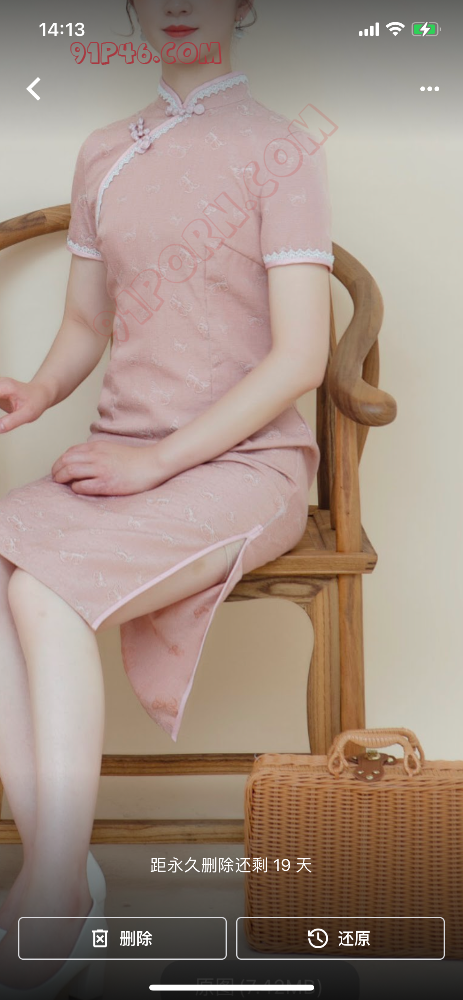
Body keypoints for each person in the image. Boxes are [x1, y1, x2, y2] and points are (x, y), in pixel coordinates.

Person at [0, 0, 333, 992]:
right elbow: (84, 324)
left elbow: (301, 358)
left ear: (244, 5)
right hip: (122, 455)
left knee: (42, 589)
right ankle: (60, 870)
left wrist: (160, 463)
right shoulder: (105, 151)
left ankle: (52, 885)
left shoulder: (279, 149)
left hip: (244, 467)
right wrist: (37, 391)